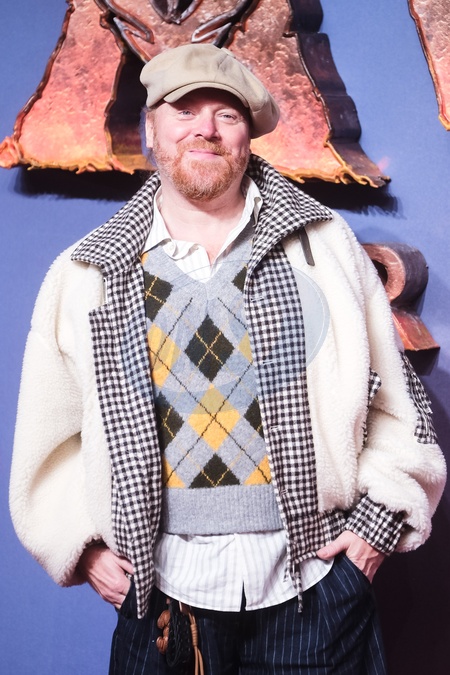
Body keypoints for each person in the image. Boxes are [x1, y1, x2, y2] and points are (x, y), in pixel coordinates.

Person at [10, 43, 446, 674]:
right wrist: (80, 548)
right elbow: (46, 438)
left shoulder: (323, 248)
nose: (205, 129)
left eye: (228, 114)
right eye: (184, 110)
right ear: (152, 128)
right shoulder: (88, 273)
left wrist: (377, 527)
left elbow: (400, 405)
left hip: (316, 588)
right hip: (161, 599)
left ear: (250, 135)